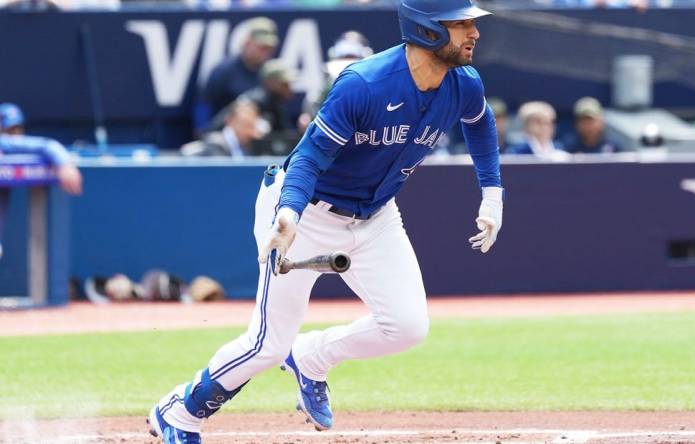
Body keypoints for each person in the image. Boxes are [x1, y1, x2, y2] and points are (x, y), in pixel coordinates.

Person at [147, 1, 504, 442]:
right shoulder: (364, 84)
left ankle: (312, 356)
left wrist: (492, 193)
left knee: (408, 327)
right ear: (427, 30)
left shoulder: (463, 83)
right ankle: (181, 413)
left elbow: (481, 124)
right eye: (461, 24)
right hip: (305, 212)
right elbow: (309, 156)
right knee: (267, 343)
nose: (474, 33)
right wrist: (288, 212)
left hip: (375, 216)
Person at [0, 104, 83, 259]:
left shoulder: (6, 144)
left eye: (18, 130)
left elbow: (48, 146)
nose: (16, 135)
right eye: (10, 130)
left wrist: (65, 164)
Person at [196, 17, 279, 130]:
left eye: (269, 48)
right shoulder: (223, 72)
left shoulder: (271, 75)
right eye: (262, 47)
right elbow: (204, 106)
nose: (266, 52)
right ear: (247, 43)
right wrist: (203, 133)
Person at [180, 100, 265, 158]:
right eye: (243, 123)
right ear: (229, 121)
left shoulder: (253, 144)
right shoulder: (213, 143)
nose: (246, 129)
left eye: (251, 124)